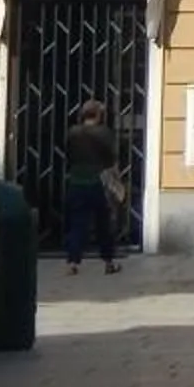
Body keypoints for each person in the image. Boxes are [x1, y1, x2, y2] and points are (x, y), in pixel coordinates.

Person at [61, 100, 122, 274]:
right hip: (98, 182)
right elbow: (111, 158)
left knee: (77, 223)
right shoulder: (104, 133)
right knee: (104, 224)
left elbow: (68, 155)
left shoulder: (72, 133)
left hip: (76, 181)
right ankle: (108, 262)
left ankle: (73, 263)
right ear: (99, 115)